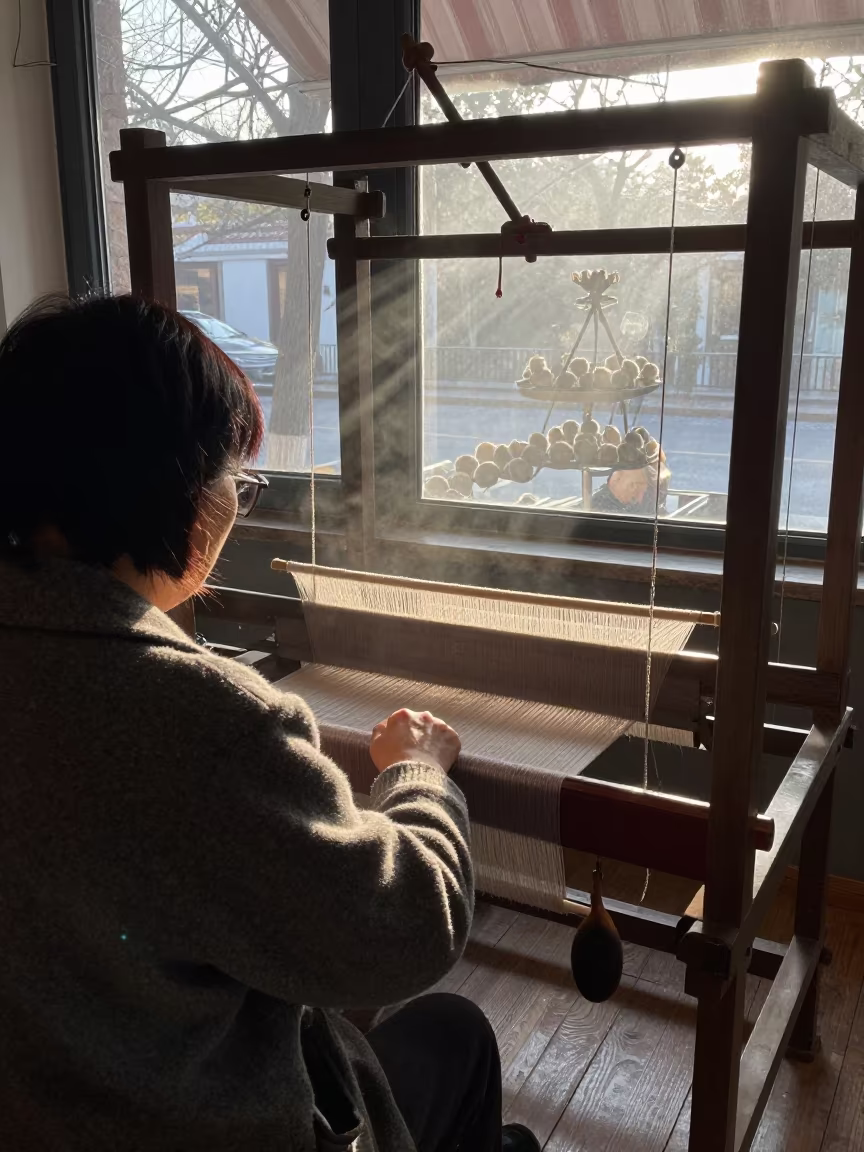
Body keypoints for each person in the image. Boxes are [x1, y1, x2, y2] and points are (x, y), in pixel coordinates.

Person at [0, 295, 539, 1152]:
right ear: (170, 482)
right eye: (234, 480)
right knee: (457, 1036)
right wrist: (419, 775)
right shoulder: (201, 722)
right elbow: (407, 929)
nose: (235, 504)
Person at [590, 454, 670, 516]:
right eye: (633, 485)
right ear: (616, 480)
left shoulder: (647, 498)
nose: (639, 497)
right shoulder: (600, 503)